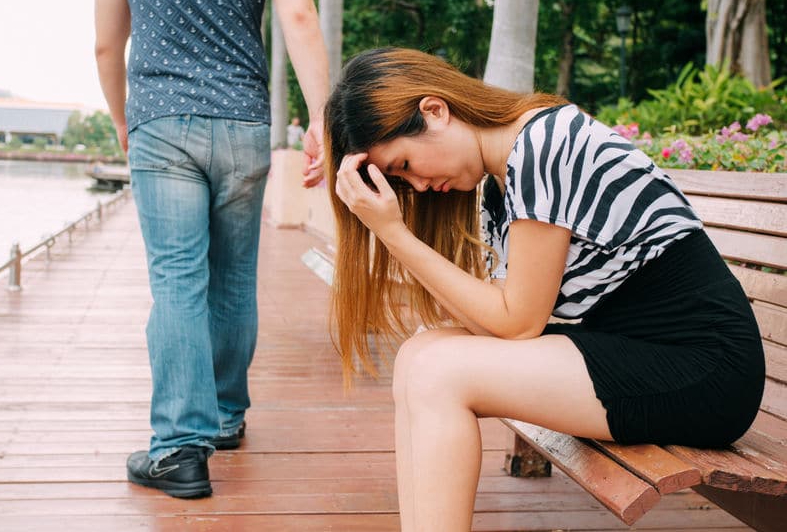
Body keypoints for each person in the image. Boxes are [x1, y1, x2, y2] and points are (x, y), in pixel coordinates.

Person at [324, 47, 765, 531]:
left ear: (434, 110)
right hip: (641, 352)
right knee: (419, 353)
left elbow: (516, 323)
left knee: (437, 372)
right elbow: (499, 319)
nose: (419, 185)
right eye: (401, 179)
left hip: (703, 368)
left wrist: (392, 233)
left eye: (405, 163)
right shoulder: (502, 179)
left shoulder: (542, 145)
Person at [94, 0, 328, 499]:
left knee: (178, 280)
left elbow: (106, 45)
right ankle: (224, 416)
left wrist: (123, 118)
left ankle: (178, 448)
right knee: (233, 277)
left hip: (161, 119)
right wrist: (322, 116)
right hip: (244, 120)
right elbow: (296, 10)